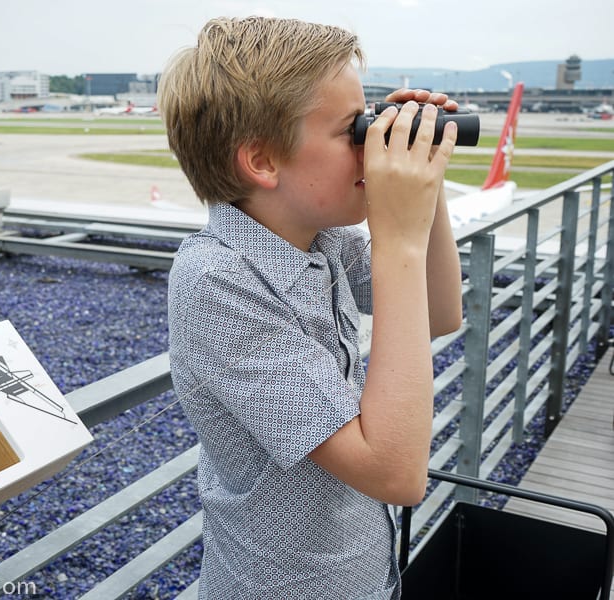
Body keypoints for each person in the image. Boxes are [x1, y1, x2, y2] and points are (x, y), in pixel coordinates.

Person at [158, 16, 463, 600]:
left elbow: (441, 312)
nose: (371, 144)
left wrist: (426, 183)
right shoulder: (218, 282)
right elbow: (395, 474)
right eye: (355, 130)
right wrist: (397, 235)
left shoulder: (318, 240)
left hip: (365, 574)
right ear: (264, 161)